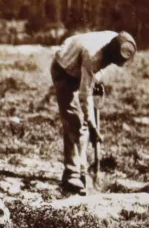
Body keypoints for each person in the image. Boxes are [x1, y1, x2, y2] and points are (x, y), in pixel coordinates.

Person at [50, 31, 136, 194]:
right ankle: (72, 175)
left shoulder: (116, 39)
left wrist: (95, 80)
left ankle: (82, 171)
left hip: (80, 65)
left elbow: (96, 70)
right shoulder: (93, 56)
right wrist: (93, 125)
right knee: (75, 121)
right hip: (64, 70)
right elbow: (84, 95)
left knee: (81, 126)